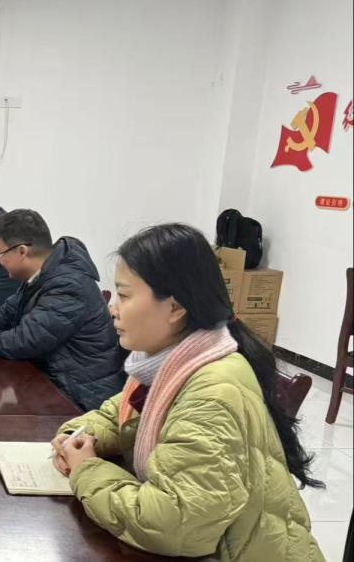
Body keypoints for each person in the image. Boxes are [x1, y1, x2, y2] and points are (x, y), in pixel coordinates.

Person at [51, 223, 324, 560]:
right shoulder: (169, 362)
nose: (113, 308)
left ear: (175, 308)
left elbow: (174, 525)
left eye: (124, 295)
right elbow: (117, 414)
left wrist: (87, 469)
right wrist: (78, 436)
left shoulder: (211, 392)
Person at [0, 209, 123, 410]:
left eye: (0, 253)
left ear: (21, 251)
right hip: (53, 383)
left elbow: (25, 341)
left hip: (80, 398)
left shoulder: (68, 285)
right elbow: (4, 315)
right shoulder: (41, 275)